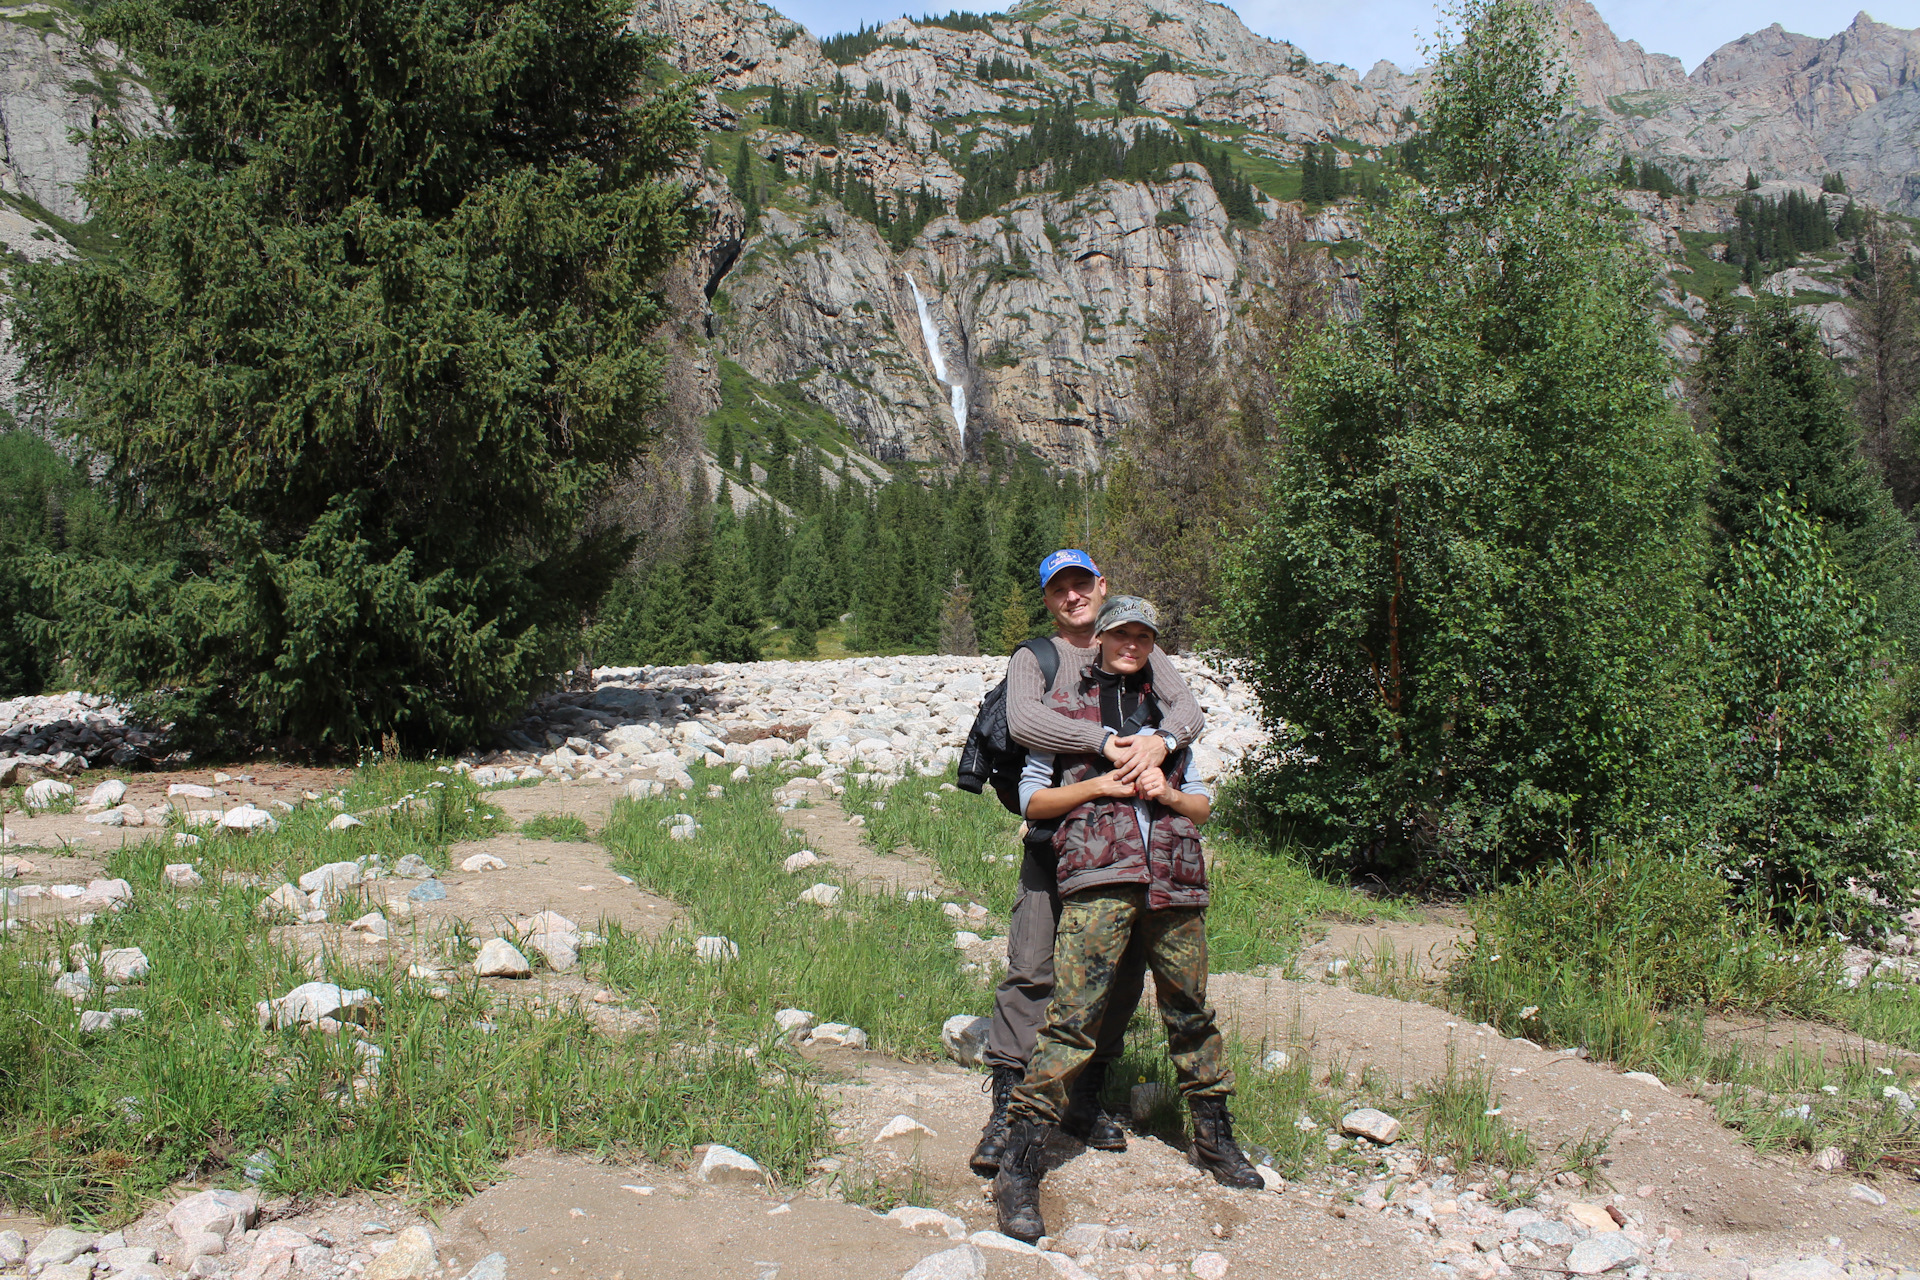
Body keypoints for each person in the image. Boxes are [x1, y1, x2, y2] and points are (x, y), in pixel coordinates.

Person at [992, 595, 1263, 1243]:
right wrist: (1100, 786)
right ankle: (1021, 1162)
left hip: (1175, 883)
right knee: (1072, 1019)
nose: (1132, 644)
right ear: (1103, 639)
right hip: (1096, 879)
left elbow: (1199, 806)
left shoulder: (1165, 721)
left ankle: (1214, 1138)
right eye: (1122, 634)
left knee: (1191, 1011)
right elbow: (1034, 800)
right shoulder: (1064, 715)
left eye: (1144, 636)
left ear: (1151, 645)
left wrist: (1165, 788)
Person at [971, 550, 1207, 1176]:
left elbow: (1189, 713)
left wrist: (1163, 741)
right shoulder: (1036, 658)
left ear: (1102, 587)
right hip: (1057, 841)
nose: (1073, 597)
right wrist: (1102, 746)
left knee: (1122, 975)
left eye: (1083, 584)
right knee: (1033, 968)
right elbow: (1024, 722)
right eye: (1060, 590)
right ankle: (1009, 1108)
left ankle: (1084, 1098)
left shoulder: (1137, 644)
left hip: (1131, 849)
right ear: (1049, 599)